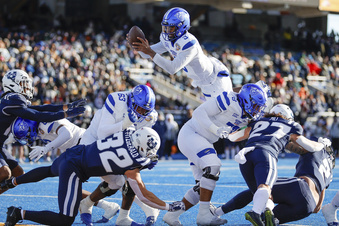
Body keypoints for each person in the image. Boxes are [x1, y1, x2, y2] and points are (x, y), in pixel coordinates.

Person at [1, 127, 185, 226]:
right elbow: (143, 194)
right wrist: (168, 206)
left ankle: (12, 182)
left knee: (49, 170)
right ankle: (18, 213)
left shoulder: (127, 132)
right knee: (65, 219)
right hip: (74, 168)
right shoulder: (132, 162)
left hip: (75, 152)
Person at [163, 83, 267, 225]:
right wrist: (215, 129)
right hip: (192, 134)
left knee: (203, 187)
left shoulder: (246, 115)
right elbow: (198, 113)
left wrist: (247, 134)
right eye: (255, 105)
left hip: (203, 140)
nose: (257, 110)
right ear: (247, 99)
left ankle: (173, 215)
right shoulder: (230, 99)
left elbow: (232, 137)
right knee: (213, 166)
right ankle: (204, 215)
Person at [223, 104, 330, 225]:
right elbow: (309, 147)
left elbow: (233, 137)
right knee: (265, 194)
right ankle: (261, 210)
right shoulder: (291, 125)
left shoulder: (258, 122)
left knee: (258, 189)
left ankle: (219, 211)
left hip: (246, 156)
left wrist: (234, 126)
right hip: (308, 204)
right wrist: (322, 145)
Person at [7, 117, 120, 223]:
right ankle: (105, 205)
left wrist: (46, 148)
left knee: (117, 180)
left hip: (84, 148)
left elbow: (67, 134)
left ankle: (115, 210)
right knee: (64, 182)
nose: (28, 139)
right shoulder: (36, 124)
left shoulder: (45, 121)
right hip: (74, 155)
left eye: (26, 135)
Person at [78, 84, 160, 226]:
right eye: (139, 107)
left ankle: (121, 215)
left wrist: (148, 157)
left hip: (118, 143)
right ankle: (90, 204)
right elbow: (102, 133)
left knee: (122, 178)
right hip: (92, 142)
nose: (141, 112)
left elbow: (140, 140)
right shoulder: (116, 99)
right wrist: (124, 124)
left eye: (145, 110)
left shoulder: (150, 116)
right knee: (71, 184)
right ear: (131, 100)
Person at [0, 69, 85, 195]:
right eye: (23, 84)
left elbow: (41, 108)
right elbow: (37, 115)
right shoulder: (12, 98)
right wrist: (65, 114)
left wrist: (66, 106)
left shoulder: (12, 99)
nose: (27, 87)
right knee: (5, 173)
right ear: (13, 84)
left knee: (18, 173)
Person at [214, 138, 335, 225]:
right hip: (308, 207)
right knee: (265, 222)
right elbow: (317, 208)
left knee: (260, 190)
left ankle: (216, 211)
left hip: (301, 187)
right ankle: (267, 213)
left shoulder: (315, 149)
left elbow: (291, 145)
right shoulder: (329, 173)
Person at [130, 7, 233, 100]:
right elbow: (146, 54)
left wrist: (151, 52)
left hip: (214, 80)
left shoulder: (189, 44)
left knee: (224, 113)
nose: (166, 31)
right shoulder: (167, 38)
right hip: (204, 82)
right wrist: (137, 46)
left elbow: (172, 68)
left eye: (170, 28)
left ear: (181, 28)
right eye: (165, 27)